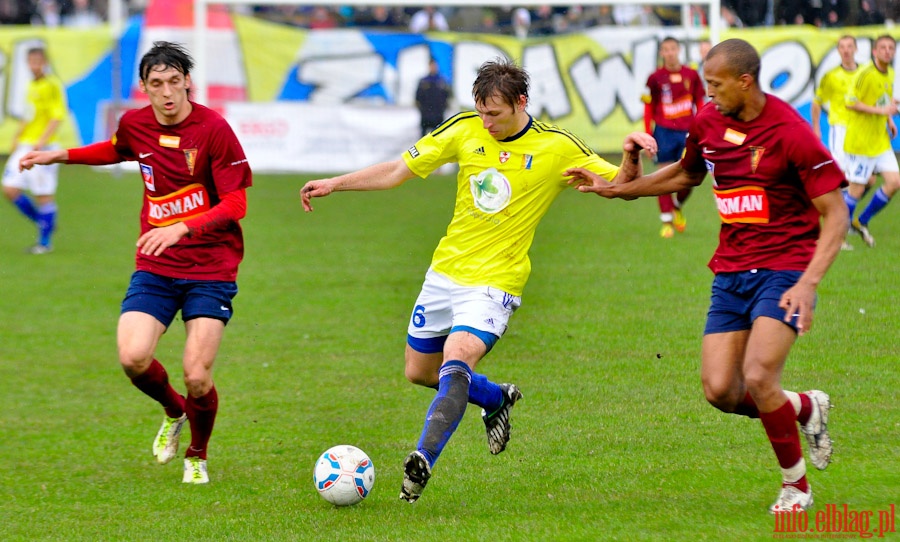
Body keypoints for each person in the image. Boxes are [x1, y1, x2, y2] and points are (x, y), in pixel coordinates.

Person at [300, 58, 656, 503]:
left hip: (496, 281)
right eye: (481, 111)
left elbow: (622, 185)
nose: (486, 122)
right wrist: (336, 183)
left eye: (496, 113)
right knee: (420, 372)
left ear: (521, 103)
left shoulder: (557, 147)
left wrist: (629, 155)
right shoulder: (464, 128)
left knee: (458, 357)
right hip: (445, 273)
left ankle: (422, 461)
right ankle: (494, 399)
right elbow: (396, 171)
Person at [567, 39, 846, 513]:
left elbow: (835, 215)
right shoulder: (709, 122)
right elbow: (685, 174)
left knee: (759, 376)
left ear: (745, 81)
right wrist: (621, 190)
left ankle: (795, 487)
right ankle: (804, 407)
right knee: (720, 390)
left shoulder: (791, 133)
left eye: (715, 86)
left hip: (785, 269)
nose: (708, 95)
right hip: (731, 269)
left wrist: (808, 282)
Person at [19, 41, 252, 485]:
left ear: (188, 82)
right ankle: (173, 409)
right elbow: (116, 148)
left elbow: (236, 202)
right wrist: (60, 154)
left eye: (174, 82)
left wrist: (183, 227)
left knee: (197, 375)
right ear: (144, 87)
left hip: (211, 267)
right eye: (156, 84)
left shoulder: (214, 130)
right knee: (133, 357)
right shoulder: (135, 123)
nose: (167, 93)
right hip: (156, 264)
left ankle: (197, 455)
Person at [2, 47, 67, 254]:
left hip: (44, 147)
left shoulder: (53, 84)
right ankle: (44, 221)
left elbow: (57, 116)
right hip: (25, 144)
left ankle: (44, 243)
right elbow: (29, 115)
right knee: (9, 188)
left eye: (38, 61)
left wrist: (42, 140)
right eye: (31, 61)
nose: (34, 65)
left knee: (43, 194)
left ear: (45, 62)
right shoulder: (32, 85)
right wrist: (17, 137)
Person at [642, 36, 705, 238]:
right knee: (663, 176)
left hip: (687, 131)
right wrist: (646, 132)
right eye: (665, 50)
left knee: (688, 177)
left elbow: (700, 103)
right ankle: (666, 221)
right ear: (661, 53)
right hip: (664, 131)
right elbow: (648, 106)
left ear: (678, 50)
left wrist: (702, 127)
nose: (669, 53)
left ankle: (677, 206)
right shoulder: (654, 78)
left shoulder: (692, 75)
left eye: (672, 49)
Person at [842, 34, 898, 248]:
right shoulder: (865, 74)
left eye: (891, 48)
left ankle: (860, 221)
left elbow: (883, 101)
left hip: (880, 141)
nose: (887, 51)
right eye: (882, 47)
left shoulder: (890, 73)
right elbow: (850, 102)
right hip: (861, 143)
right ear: (874, 52)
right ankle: (837, 234)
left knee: (894, 183)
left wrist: (888, 119)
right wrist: (881, 111)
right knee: (856, 189)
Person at [811, 35, 860, 250]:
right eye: (842, 47)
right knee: (843, 181)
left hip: (863, 133)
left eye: (850, 46)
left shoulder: (863, 74)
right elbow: (817, 102)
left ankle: (844, 222)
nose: (846, 50)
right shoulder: (831, 77)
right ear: (838, 51)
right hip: (840, 130)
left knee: (867, 180)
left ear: (856, 49)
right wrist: (816, 128)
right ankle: (835, 233)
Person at [415, 57, 451, 138]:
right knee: (423, 139)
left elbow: (447, 96)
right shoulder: (424, 81)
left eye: (434, 65)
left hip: (438, 115)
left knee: (438, 138)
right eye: (431, 65)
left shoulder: (441, 81)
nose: (433, 67)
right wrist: (422, 110)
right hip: (426, 115)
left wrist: (443, 108)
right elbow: (418, 98)